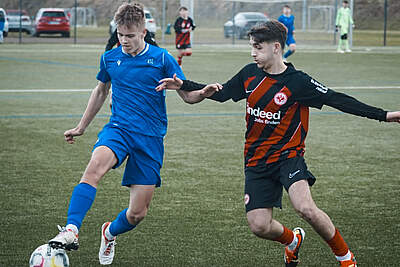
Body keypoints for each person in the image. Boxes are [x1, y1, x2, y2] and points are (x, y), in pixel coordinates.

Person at [156, 20, 400, 267]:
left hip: (288, 157)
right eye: (252, 47)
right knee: (259, 226)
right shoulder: (249, 74)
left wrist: (384, 115)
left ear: (275, 47)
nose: (253, 53)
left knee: (305, 208)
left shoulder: (298, 82)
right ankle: (292, 240)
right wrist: (185, 85)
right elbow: (220, 92)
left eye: (258, 48)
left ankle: (346, 258)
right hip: (255, 160)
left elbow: (337, 99)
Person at [47, 3, 185, 265]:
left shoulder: (163, 58)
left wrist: (202, 92)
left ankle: (109, 233)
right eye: (120, 34)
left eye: (130, 35)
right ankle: (71, 230)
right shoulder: (110, 57)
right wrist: (81, 127)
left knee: (137, 213)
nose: (124, 40)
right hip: (118, 129)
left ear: (143, 31)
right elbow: (100, 91)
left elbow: (187, 94)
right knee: (94, 168)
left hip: (150, 139)